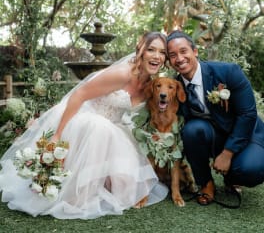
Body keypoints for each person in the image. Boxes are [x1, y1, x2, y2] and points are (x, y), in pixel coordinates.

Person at [0, 31, 169, 219]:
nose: (157, 56)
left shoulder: (151, 84)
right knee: (100, 129)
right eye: (151, 50)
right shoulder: (122, 74)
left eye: (162, 52)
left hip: (113, 128)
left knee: (129, 188)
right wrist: (57, 135)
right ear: (141, 51)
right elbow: (79, 95)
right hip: (83, 120)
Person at [167, 30, 264, 206]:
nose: (179, 59)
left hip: (246, 133)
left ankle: (232, 177)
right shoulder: (174, 87)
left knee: (251, 170)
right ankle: (206, 183)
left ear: (195, 51)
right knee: (192, 129)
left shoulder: (228, 72)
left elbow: (247, 114)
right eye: (173, 55)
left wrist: (227, 153)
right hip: (211, 134)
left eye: (183, 51)